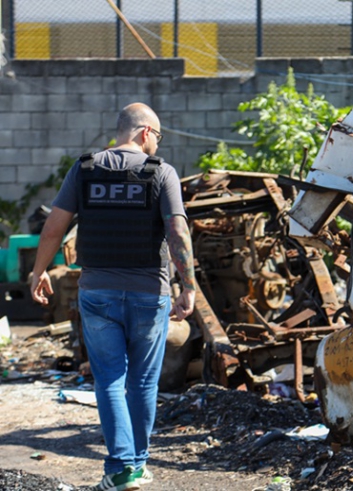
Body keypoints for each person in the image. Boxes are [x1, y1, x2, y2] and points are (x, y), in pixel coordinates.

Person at [30, 103, 196, 491]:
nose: (157, 143)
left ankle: (124, 467)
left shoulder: (85, 169)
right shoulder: (161, 174)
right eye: (157, 135)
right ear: (143, 133)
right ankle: (132, 465)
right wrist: (188, 286)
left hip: (98, 293)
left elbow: (55, 225)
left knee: (109, 380)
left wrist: (38, 271)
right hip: (147, 293)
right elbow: (178, 233)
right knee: (142, 383)